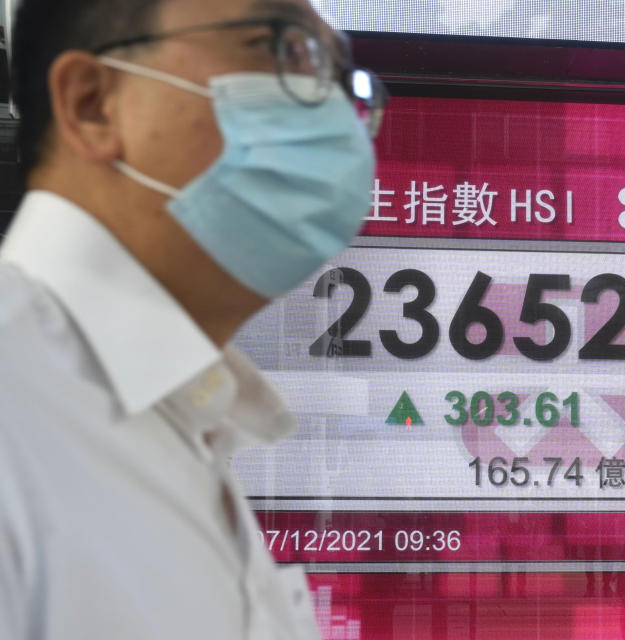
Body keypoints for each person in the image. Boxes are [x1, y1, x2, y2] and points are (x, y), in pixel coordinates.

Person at [0, 0, 383, 637]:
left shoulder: (192, 427)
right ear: (94, 102)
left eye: (340, 79)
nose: (333, 113)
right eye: (279, 47)